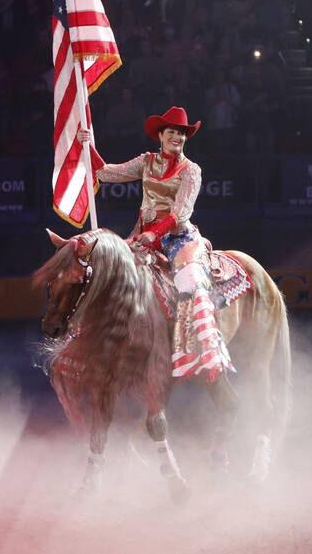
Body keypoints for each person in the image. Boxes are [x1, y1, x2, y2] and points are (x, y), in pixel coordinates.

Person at [77, 106, 232, 381]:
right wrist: (87, 145)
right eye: (172, 132)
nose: (177, 137)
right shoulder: (146, 161)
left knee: (191, 280)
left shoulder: (191, 170)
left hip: (178, 238)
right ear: (160, 135)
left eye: (182, 134)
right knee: (106, 268)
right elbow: (106, 173)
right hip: (143, 235)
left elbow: (181, 212)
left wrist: (155, 233)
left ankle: (203, 352)